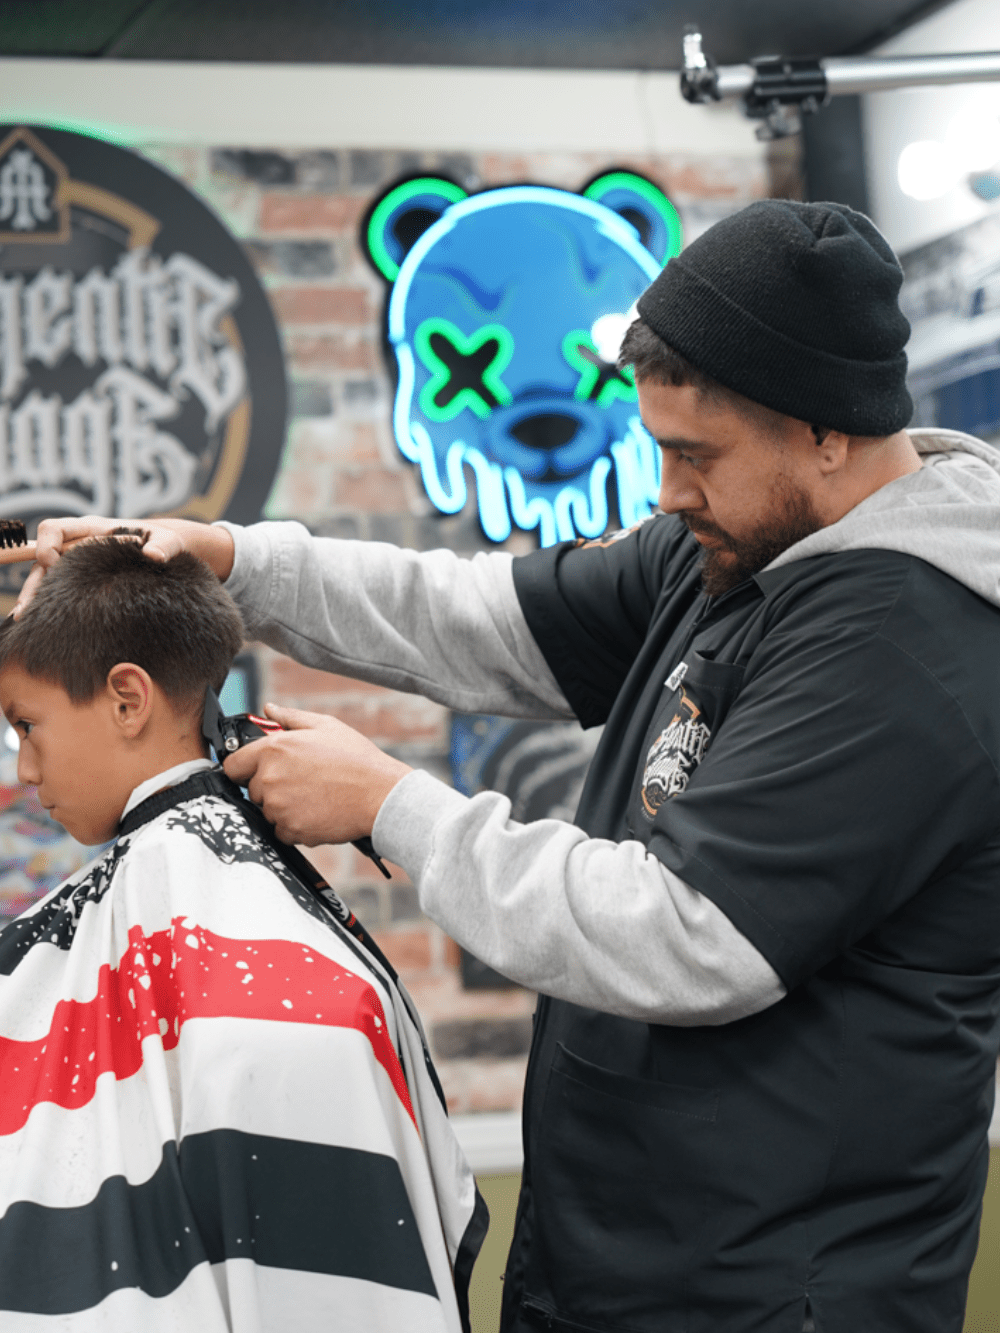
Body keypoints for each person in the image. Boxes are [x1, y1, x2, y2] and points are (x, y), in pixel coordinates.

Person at [20, 200, 1000, 1332]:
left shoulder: (905, 641)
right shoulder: (743, 542)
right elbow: (482, 617)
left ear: (825, 431)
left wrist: (388, 804)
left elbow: (689, 932)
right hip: (627, 1256)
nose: (669, 492)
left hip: (773, 1290)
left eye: (695, 455)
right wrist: (236, 560)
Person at [0, 537, 481, 1333]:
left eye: (27, 724)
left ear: (127, 699)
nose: (24, 769)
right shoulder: (284, 911)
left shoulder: (212, 943)